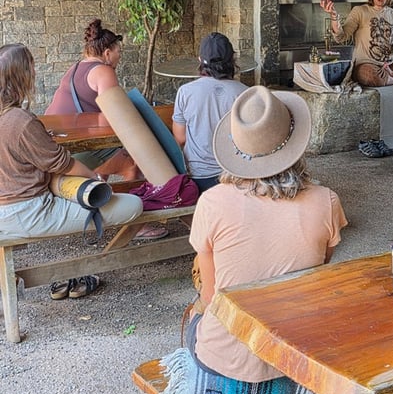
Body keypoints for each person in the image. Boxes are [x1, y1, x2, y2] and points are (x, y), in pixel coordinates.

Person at [160, 86, 347, 394]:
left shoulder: (211, 202)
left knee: (193, 318)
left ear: (237, 147)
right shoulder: (326, 201)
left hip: (224, 359)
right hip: (296, 353)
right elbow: (318, 267)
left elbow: (210, 295)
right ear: (294, 143)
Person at [0, 43, 143, 300]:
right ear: (21, 75)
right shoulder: (20, 121)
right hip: (30, 213)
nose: (35, 72)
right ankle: (79, 271)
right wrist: (94, 178)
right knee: (133, 205)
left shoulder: (18, 121)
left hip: (7, 212)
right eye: (31, 67)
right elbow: (63, 164)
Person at [46, 18, 165, 241]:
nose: (120, 56)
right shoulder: (103, 71)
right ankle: (135, 225)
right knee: (133, 164)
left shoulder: (74, 69)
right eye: (119, 51)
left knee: (111, 155)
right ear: (108, 53)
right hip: (75, 153)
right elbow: (114, 118)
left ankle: (101, 200)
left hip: (57, 148)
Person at [172, 33, 248, 194]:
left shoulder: (185, 92)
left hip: (199, 178)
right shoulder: (245, 93)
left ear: (200, 60)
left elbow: (180, 138)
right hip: (237, 177)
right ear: (232, 60)